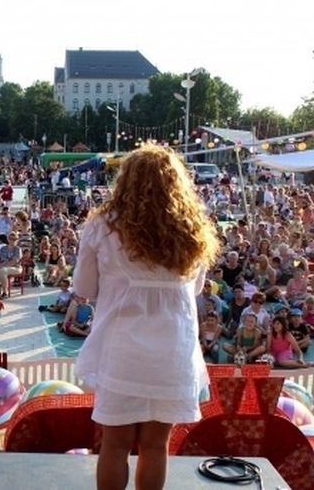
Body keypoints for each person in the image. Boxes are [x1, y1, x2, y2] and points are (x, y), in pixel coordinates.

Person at [72, 146, 220, 490]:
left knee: (115, 444)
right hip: (173, 352)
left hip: (122, 350)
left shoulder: (103, 227)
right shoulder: (192, 231)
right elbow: (195, 289)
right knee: (156, 447)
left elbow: (84, 287)